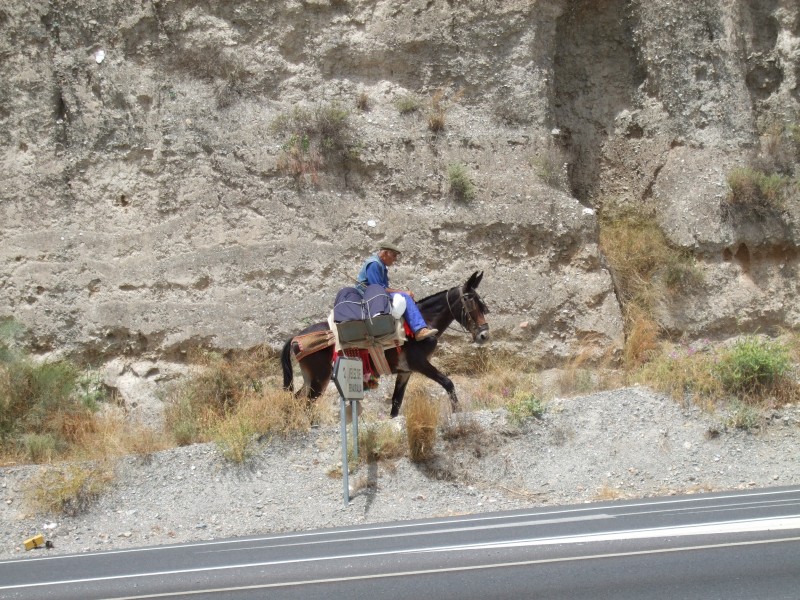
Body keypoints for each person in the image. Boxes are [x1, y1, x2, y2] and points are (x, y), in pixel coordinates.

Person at [355, 242, 438, 341]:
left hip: (377, 293)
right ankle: (419, 330)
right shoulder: (374, 264)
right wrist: (402, 292)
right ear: (385, 253)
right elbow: (377, 289)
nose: (395, 259)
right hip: (370, 295)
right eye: (393, 255)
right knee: (405, 297)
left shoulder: (381, 264)